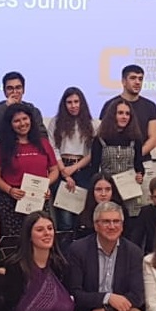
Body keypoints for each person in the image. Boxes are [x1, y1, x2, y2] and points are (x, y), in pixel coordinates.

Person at [0, 103, 61, 236]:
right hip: (12, 200)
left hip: (39, 199)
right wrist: (10, 190)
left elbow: (54, 170)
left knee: (40, 237)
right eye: (17, 121)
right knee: (16, 240)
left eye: (25, 119)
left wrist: (45, 185)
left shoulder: (43, 143)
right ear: (10, 124)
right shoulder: (3, 146)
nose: (22, 124)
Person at [91, 98, 149, 217]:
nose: (124, 117)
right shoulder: (100, 138)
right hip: (108, 190)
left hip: (129, 190)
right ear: (113, 115)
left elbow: (139, 165)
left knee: (131, 221)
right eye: (120, 113)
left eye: (127, 114)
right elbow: (94, 168)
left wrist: (140, 175)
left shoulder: (135, 139)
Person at [50, 87, 96, 233]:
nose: (73, 105)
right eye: (69, 102)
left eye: (76, 102)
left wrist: (73, 168)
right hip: (61, 168)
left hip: (83, 170)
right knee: (65, 219)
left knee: (82, 217)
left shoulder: (91, 123)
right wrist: (64, 172)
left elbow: (92, 152)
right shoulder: (55, 122)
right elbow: (53, 148)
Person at [99, 64, 156, 161]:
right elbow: (103, 135)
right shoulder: (110, 105)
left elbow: (153, 139)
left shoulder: (150, 106)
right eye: (133, 78)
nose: (137, 82)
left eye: (140, 79)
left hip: (142, 162)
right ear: (124, 81)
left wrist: (134, 156)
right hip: (114, 162)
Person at [0, 71, 48, 137]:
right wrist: (6, 106)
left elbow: (42, 135)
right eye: (10, 88)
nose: (14, 92)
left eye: (18, 88)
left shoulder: (33, 110)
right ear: (4, 91)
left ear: (23, 90)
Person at [73, 175, 126, 242]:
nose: (103, 194)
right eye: (99, 189)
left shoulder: (122, 213)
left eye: (107, 189)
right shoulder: (83, 216)